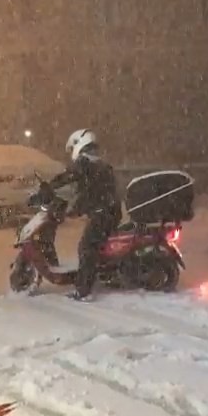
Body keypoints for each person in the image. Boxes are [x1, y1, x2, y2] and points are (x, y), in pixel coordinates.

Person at [47, 128, 122, 301]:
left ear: (79, 144)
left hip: (103, 213)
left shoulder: (85, 162)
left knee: (87, 248)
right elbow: (89, 190)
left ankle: (83, 291)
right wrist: (75, 207)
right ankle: (102, 274)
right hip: (109, 211)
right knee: (96, 245)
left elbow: (68, 177)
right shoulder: (98, 163)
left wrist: (49, 187)